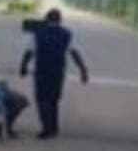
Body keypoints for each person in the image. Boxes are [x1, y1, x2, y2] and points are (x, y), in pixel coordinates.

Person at [19, 9, 89, 140]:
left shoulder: (38, 34)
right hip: (58, 71)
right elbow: (74, 53)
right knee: (53, 99)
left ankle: (46, 129)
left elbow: (29, 52)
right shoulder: (67, 34)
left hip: (42, 70)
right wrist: (83, 69)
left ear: (46, 19)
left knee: (42, 100)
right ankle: (54, 127)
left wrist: (23, 67)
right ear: (60, 20)